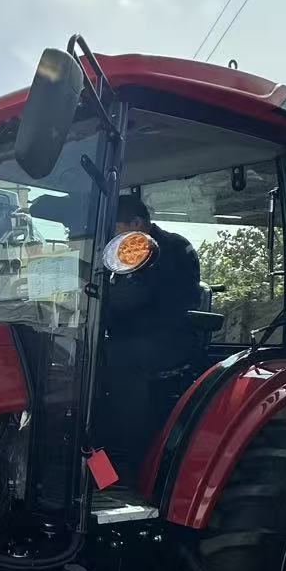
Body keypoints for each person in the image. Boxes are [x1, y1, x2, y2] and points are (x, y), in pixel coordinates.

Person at [100, 195, 202, 481]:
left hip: (168, 338)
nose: (111, 239)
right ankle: (95, 469)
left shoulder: (173, 249)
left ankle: (131, 465)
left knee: (113, 361)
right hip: (125, 337)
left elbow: (143, 299)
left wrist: (108, 300)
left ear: (136, 223)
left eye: (114, 230)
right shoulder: (119, 252)